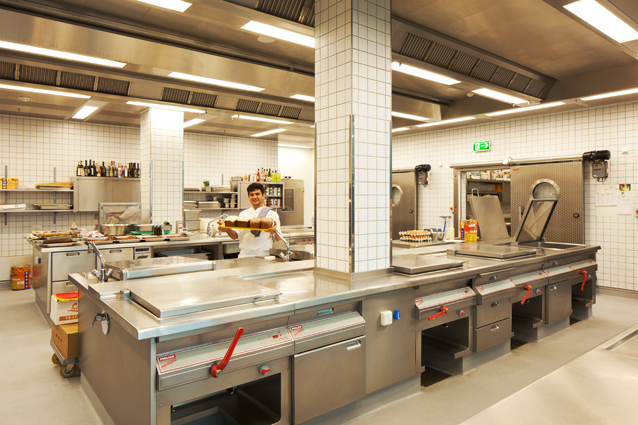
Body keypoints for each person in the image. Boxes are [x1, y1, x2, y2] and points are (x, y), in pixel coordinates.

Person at [219, 182, 281, 258]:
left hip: (262, 255)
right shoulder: (243, 214)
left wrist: (274, 231)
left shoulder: (271, 214)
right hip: (244, 254)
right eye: (252, 195)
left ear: (263, 195)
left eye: (257, 194)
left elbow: (278, 239)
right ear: (248, 197)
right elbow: (234, 236)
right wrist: (227, 229)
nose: (254, 197)